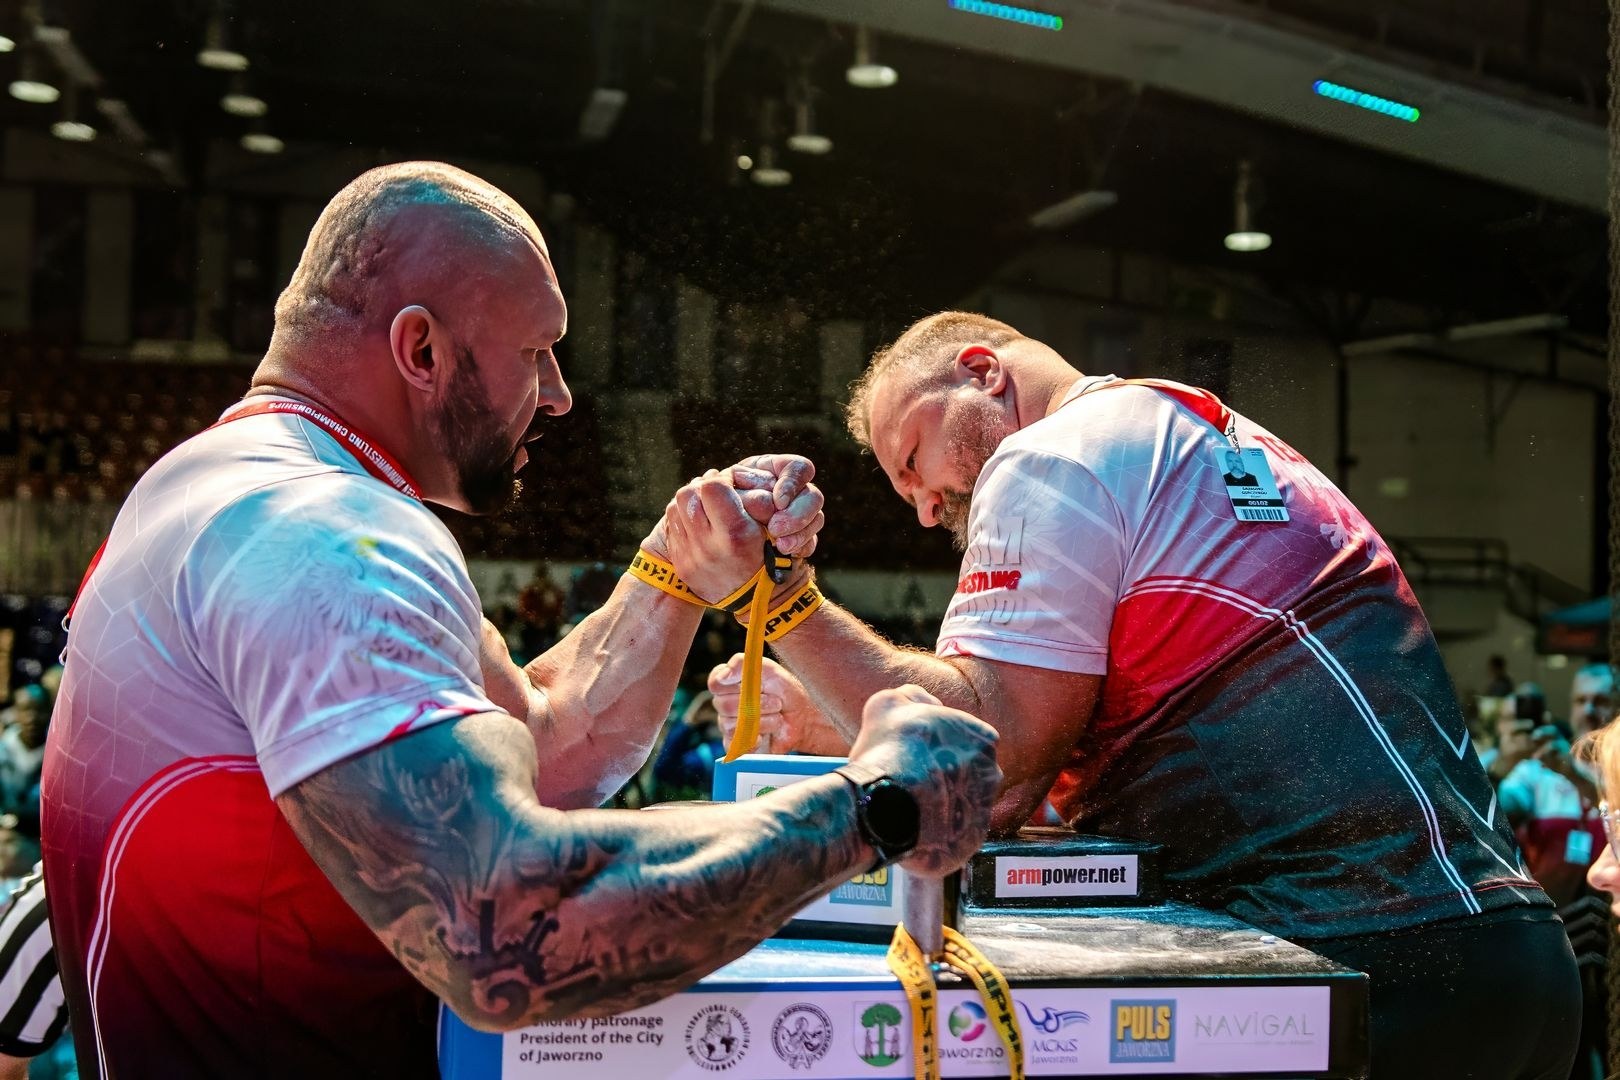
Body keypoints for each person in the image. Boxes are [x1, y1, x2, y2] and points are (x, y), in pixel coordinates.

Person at [42, 164, 1002, 1079]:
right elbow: (509, 933)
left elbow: (547, 744)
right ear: (421, 351)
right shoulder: (331, 534)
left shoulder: (219, 487)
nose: (559, 394)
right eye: (537, 351)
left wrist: (678, 564)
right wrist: (874, 805)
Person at [709, 310, 1578, 1079]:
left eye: (912, 460)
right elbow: (1041, 765)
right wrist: (835, 721)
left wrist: (778, 601)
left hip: (1359, 969)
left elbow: (994, 766)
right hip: (1506, 956)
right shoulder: (1196, 433)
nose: (926, 510)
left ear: (982, 372)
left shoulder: (1049, 455)